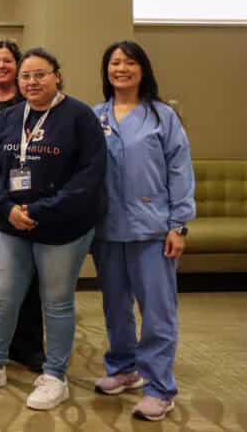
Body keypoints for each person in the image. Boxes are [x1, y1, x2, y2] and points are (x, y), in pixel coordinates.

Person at [0, 48, 106, 411]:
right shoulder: (10, 118)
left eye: (40, 75)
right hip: (13, 225)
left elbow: (88, 177)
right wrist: (6, 208)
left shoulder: (79, 116)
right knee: (2, 296)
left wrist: (39, 210)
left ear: (57, 75)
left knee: (56, 303)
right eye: (26, 76)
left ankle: (55, 375)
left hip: (62, 229)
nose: (32, 82)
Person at [91, 41, 194, 422]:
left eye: (129, 62)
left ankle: (159, 388)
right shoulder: (95, 115)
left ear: (142, 69)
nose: (121, 68)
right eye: (115, 62)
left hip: (154, 229)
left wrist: (178, 225)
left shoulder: (162, 116)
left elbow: (180, 171)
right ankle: (123, 367)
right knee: (115, 305)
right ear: (106, 70)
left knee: (157, 312)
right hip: (108, 229)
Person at [0, 39, 45, 372]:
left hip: (25, 203)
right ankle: (0, 341)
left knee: (29, 280)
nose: (0, 67)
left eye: (7, 61)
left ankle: (29, 345)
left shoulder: (31, 102)